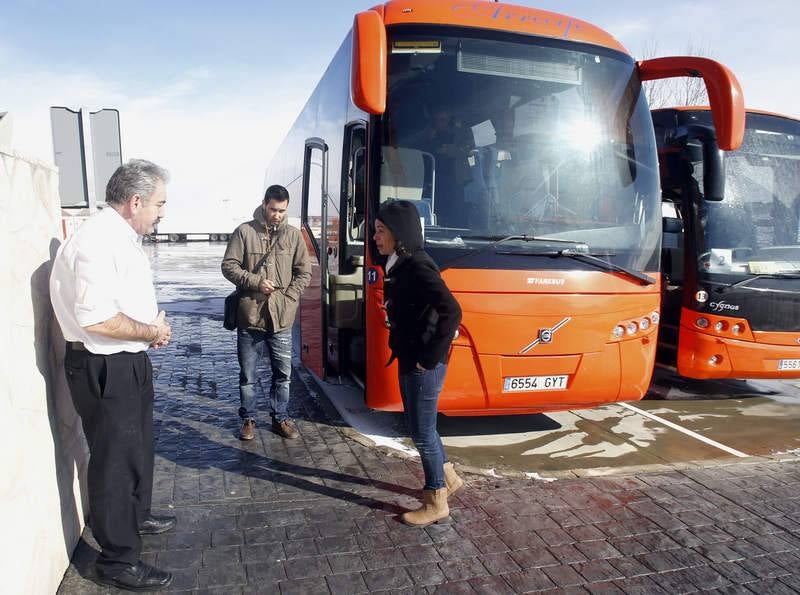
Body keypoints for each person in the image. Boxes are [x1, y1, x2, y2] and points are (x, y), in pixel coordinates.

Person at [49, 159, 175, 591]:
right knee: (114, 462)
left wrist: (148, 331)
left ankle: (136, 515)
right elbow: (98, 319)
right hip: (105, 365)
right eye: (159, 203)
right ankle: (118, 560)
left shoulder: (121, 237)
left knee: (137, 448)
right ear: (135, 201)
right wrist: (151, 331)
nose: (162, 213)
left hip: (127, 359)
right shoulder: (97, 241)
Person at [373, 199, 464, 527]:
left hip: (423, 364)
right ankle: (449, 478)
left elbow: (452, 311)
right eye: (375, 231)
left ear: (399, 233)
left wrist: (429, 358)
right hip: (411, 356)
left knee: (422, 433)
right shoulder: (397, 261)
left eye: (381, 231)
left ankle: (436, 498)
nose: (375, 237)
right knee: (423, 428)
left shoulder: (418, 264)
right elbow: (415, 306)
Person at [222, 185, 311, 441]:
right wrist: (255, 281)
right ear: (264, 204)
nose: (277, 215)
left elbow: (304, 272)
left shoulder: (293, 236)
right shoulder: (245, 231)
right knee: (248, 375)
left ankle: (280, 417)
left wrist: (290, 297)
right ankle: (248, 418)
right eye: (273, 209)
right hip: (250, 316)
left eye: (282, 210)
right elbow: (229, 266)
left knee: (283, 374)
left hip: (281, 319)